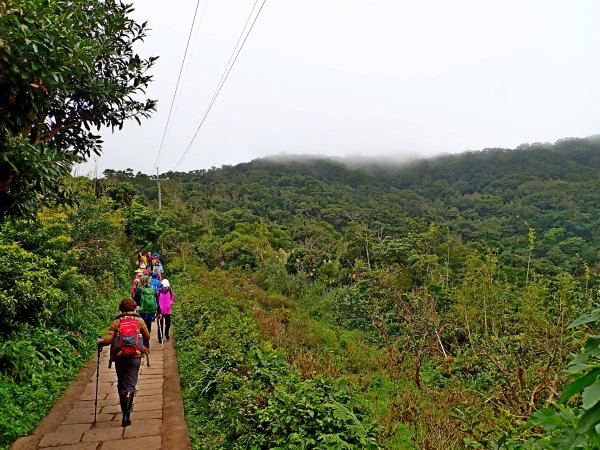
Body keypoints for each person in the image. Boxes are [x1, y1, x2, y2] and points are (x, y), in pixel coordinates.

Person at [97, 298, 150, 427]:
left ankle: (123, 408)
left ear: (121, 309)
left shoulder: (116, 322)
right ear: (134, 308)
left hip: (120, 356)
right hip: (135, 356)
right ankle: (126, 415)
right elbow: (147, 336)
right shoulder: (139, 321)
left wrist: (100, 342)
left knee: (121, 383)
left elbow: (109, 340)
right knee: (131, 384)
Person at [133, 276, 161, 349]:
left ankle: (141, 344)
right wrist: (159, 312)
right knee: (148, 328)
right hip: (150, 312)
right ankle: (146, 344)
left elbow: (134, 302)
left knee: (140, 328)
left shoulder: (139, 290)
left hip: (141, 312)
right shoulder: (152, 290)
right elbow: (157, 301)